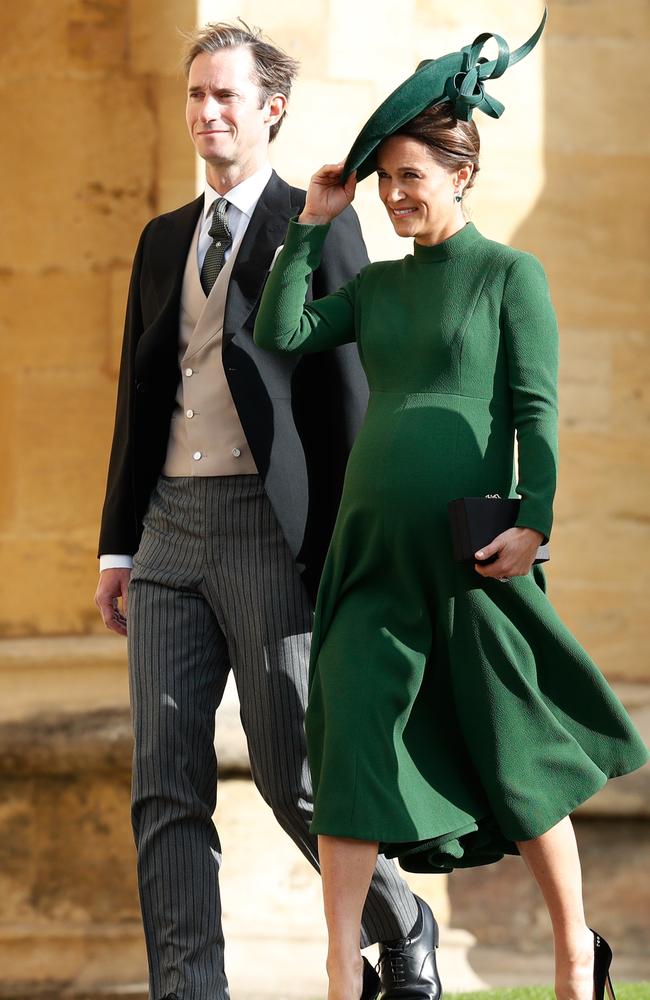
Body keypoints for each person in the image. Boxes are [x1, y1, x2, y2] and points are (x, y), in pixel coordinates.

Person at [253, 10, 649, 1000]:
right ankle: (342, 969)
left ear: (460, 174)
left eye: (410, 177)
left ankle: (571, 956)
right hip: (370, 556)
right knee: (345, 749)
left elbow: (535, 409)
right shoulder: (380, 289)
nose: (392, 196)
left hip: (473, 555)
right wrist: (314, 222)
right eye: (383, 178)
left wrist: (535, 521)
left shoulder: (510, 275)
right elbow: (283, 327)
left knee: (514, 758)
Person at [94, 20, 442, 1000]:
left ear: (270, 110)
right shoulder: (162, 239)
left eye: (225, 97)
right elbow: (138, 396)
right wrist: (116, 545)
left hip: (269, 535)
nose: (206, 112)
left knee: (296, 780)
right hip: (167, 530)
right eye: (194, 94)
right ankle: (190, 990)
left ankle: (401, 920)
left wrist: (343, 556)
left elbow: (347, 402)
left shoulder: (318, 224)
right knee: (163, 780)